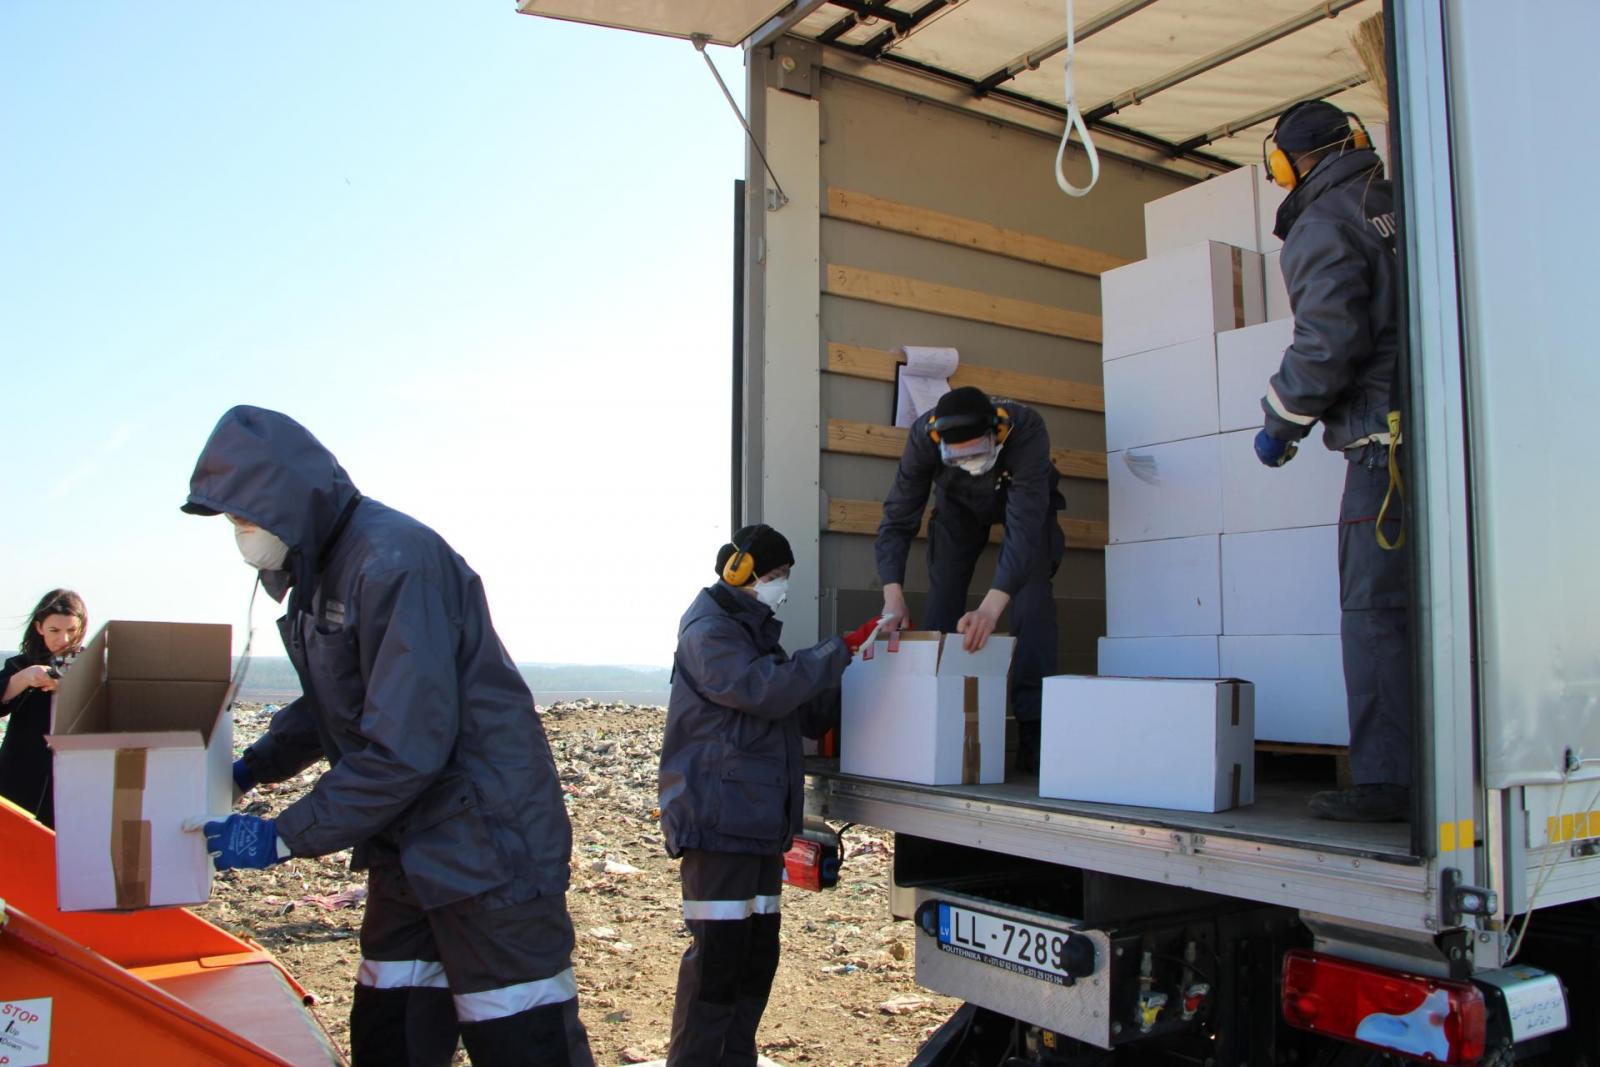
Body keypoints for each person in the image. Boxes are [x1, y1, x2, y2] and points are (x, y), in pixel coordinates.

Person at [180, 405, 594, 1067]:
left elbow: (407, 745)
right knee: (391, 1031)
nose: (242, 536)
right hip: (410, 851)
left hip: (485, 848)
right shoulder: (321, 573)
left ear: (286, 502)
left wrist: (283, 834)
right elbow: (332, 704)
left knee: (522, 1039)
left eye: (245, 519)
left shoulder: (392, 562)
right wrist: (249, 767)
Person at [659, 524, 878, 1067]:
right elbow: (762, 689)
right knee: (717, 966)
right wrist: (839, 648)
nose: (782, 585)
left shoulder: (756, 635)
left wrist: (866, 670)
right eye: (777, 575)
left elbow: (797, 708)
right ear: (742, 573)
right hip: (719, 824)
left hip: (755, 827)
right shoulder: (710, 633)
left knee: (755, 960)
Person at [1253, 99, 1409, 823]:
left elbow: (1327, 342)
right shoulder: (1398, 201)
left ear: (1286, 165)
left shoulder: (1322, 224)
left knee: (1374, 613)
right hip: (1440, 443)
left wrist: (1281, 422)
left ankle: (1388, 779)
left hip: (1385, 453)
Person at [874, 385, 1065, 774]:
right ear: (939, 442)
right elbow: (898, 517)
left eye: (977, 451)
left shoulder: (1026, 428)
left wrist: (991, 610)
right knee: (943, 593)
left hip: (1022, 500)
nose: (971, 461)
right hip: (957, 505)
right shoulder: (922, 437)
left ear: (996, 434)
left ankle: (1035, 727)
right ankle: (935, 714)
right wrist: (892, 593)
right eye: (957, 455)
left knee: (1032, 599)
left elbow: (1025, 529)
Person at [0, 589, 87, 826]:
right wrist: (24, 678)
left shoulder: (91, 665)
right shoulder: (21, 664)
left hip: (70, 782)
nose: (64, 639)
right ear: (39, 628)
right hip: (18, 776)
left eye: (71, 630)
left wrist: (67, 687)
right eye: (55, 631)